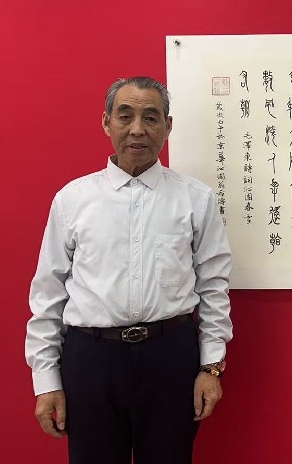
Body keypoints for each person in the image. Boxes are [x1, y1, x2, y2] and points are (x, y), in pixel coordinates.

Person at [25, 76, 233, 464]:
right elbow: (48, 293)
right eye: (125, 116)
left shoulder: (195, 199)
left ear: (167, 126)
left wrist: (211, 367)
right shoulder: (73, 200)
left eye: (151, 118)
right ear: (107, 123)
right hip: (91, 360)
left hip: (171, 358)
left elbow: (214, 286)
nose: (137, 129)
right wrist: (46, 380)